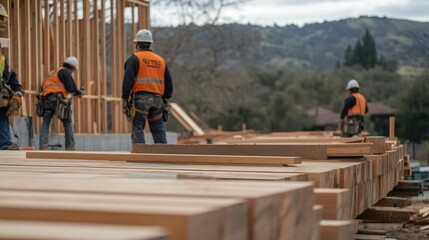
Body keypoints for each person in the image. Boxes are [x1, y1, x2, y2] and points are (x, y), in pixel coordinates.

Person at [122, 29, 173, 144]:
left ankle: (140, 155)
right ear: (150, 43)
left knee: (138, 127)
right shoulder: (161, 60)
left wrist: (125, 98)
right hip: (157, 100)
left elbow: (128, 80)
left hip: (141, 99)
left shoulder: (135, 58)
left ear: (137, 44)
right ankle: (163, 155)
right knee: (158, 128)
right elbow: (169, 83)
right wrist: (165, 98)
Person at [39, 56, 84, 150]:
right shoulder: (65, 71)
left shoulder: (53, 72)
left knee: (45, 123)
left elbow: (43, 86)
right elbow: (71, 87)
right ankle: (70, 148)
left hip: (46, 99)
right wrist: (79, 92)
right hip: (57, 99)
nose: (72, 72)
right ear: (72, 67)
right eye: (73, 70)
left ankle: (43, 147)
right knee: (67, 122)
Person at [0, 44, 24, 150]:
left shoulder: (4, 64)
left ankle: (4, 145)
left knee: (2, 116)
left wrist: (17, 97)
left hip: (1, 102)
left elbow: (16, 85)